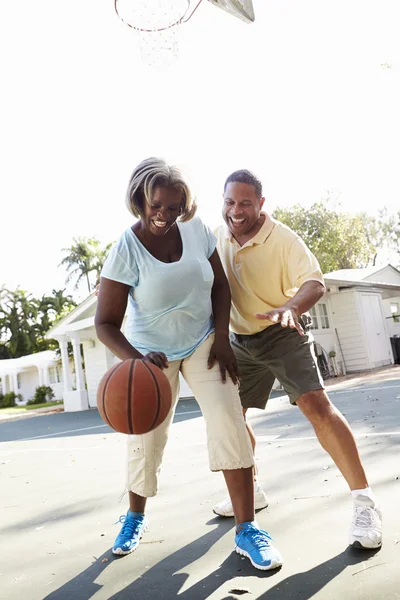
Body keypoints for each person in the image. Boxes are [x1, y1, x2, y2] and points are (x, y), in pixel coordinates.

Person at [95, 158, 283, 571]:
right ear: (141, 199)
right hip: (150, 353)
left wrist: (222, 337)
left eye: (174, 207)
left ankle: (247, 529)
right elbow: (105, 324)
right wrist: (137, 361)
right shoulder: (125, 249)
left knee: (229, 421)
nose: (164, 214)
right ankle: (134, 517)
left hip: (204, 342)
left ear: (185, 206)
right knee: (147, 439)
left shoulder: (196, 230)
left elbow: (219, 286)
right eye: (156, 205)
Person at [212, 169, 382, 551]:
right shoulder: (216, 236)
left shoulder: (284, 239)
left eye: (244, 203)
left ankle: (365, 503)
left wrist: (290, 306)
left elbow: (314, 283)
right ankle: (251, 489)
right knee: (231, 418)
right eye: (229, 202)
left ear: (260, 203)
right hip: (239, 339)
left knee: (317, 408)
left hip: (282, 331)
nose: (235, 210)